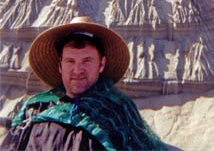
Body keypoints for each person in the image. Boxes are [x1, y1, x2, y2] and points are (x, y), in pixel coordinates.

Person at [1, 16, 169, 150]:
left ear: (101, 64)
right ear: (60, 66)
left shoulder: (118, 113)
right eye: (70, 61)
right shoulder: (35, 109)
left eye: (87, 61)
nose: (77, 70)